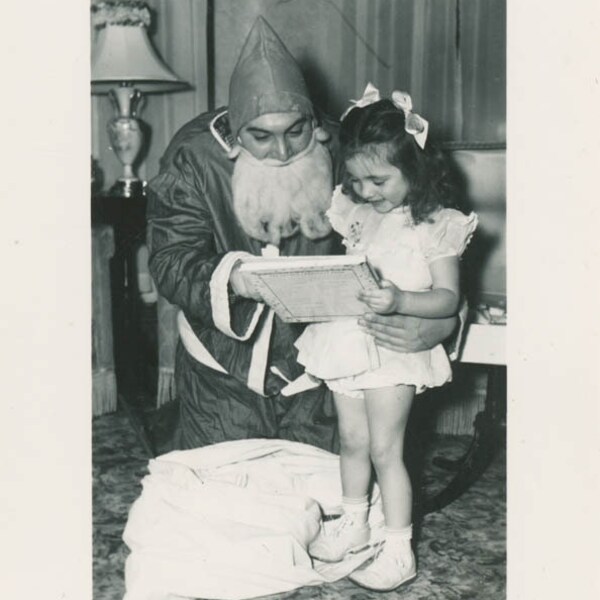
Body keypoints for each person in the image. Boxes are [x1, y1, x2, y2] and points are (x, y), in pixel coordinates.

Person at [146, 18, 459, 453]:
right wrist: (235, 277)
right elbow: (169, 260)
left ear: (314, 121)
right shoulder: (193, 157)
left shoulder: (345, 149)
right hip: (222, 371)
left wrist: (441, 322)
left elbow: (423, 234)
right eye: (261, 136)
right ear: (236, 130)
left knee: (335, 501)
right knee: (227, 500)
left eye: (296, 131)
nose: (282, 151)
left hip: (325, 371)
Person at [297, 85, 478, 591]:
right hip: (348, 341)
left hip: (396, 349)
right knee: (350, 441)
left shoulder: (436, 224)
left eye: (378, 179)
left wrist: (400, 300)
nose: (367, 191)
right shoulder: (356, 212)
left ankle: (399, 548)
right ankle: (354, 526)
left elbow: (445, 298)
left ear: (414, 170)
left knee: (385, 449)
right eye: (355, 180)